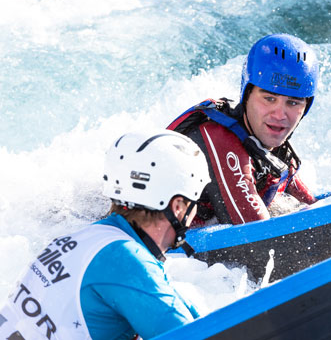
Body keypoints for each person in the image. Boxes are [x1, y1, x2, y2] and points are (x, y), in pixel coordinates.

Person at [0, 130, 210, 340]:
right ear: (178, 207)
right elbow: (193, 336)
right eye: (195, 202)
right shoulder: (126, 262)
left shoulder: (86, 238)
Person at [168, 33, 320, 226]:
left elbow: (314, 207)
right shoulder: (218, 137)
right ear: (246, 95)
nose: (280, 115)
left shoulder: (273, 149)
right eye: (269, 99)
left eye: (292, 102)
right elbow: (256, 235)